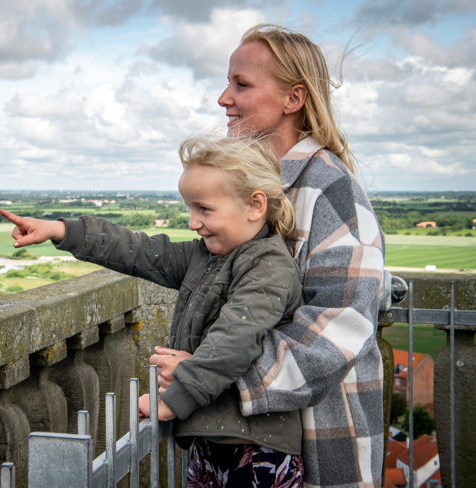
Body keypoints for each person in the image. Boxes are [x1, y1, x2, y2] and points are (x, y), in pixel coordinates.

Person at [151, 24, 385, 487]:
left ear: (293, 98)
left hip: (322, 438)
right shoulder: (252, 183)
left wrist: (207, 377)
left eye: (241, 84)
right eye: (227, 82)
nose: (223, 98)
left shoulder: (328, 187)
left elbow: (341, 325)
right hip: (247, 441)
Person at [1, 134, 305, 487]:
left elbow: (234, 341)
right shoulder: (204, 257)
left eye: (204, 210)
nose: (193, 223)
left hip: (257, 456)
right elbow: (138, 251)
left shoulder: (268, 267)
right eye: (190, 209)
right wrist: (63, 230)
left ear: (255, 205)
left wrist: (174, 400)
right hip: (212, 446)